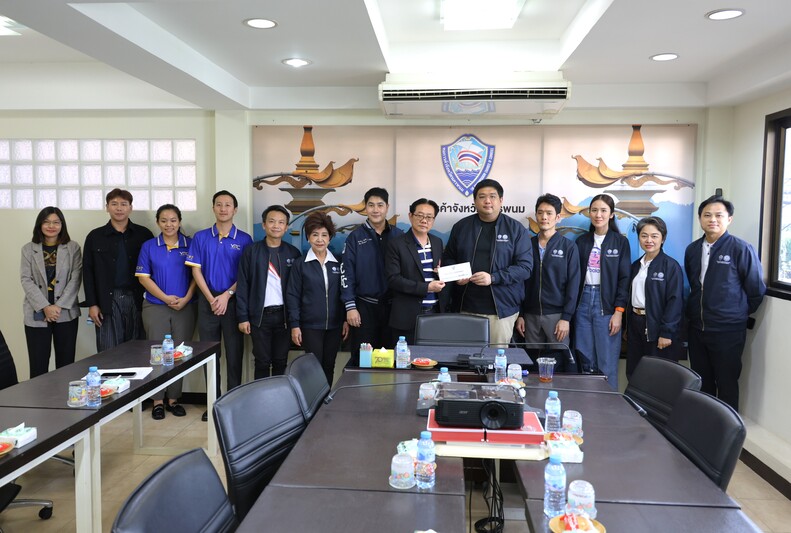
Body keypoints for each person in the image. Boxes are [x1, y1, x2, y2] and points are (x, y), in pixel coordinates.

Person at [684, 195, 765, 411]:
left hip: (728, 331)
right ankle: (705, 424)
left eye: (719, 215)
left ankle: (728, 429)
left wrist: (734, 313)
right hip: (697, 328)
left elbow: (756, 290)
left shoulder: (741, 249)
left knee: (727, 382)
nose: (712, 219)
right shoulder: (692, 250)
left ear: (729, 219)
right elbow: (695, 284)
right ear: (700, 218)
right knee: (702, 381)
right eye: (707, 215)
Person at [186, 190, 252, 421]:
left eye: (228, 205)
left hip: (233, 302)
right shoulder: (201, 237)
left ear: (235, 209)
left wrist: (226, 295)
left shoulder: (244, 239)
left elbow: (246, 275)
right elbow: (196, 270)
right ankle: (212, 402)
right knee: (209, 355)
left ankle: (233, 402)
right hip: (208, 302)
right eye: (219, 204)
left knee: (234, 355)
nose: (223, 209)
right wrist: (211, 298)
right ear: (213, 208)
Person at [442, 179, 532, 346]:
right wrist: (456, 276)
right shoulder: (461, 227)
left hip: (501, 310)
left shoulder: (516, 229)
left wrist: (493, 277)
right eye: (482, 197)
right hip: (465, 307)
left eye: (492, 196)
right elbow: (448, 258)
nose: (487, 201)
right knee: (465, 356)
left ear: (501, 200)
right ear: (475, 201)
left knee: (496, 357)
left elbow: (525, 268)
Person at [136, 204, 197, 420]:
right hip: (155, 306)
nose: (168, 224)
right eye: (164, 220)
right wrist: (165, 298)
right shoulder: (149, 246)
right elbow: (144, 278)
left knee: (180, 354)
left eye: (173, 220)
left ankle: (173, 399)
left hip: (185, 307)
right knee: (158, 355)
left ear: (179, 222)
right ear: (157, 222)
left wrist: (186, 299)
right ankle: (157, 401)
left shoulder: (191, 244)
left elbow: (197, 276)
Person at [83, 189, 154, 352]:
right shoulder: (95, 236)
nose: (119, 208)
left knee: (138, 350)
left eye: (123, 204)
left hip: (138, 298)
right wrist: (92, 304)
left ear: (131, 208)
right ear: (107, 207)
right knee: (108, 351)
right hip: (107, 300)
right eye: (114, 204)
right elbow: (88, 272)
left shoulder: (144, 235)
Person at [515, 194, 580, 371]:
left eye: (549, 213)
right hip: (530, 316)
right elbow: (520, 282)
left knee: (559, 365)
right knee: (532, 364)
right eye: (540, 213)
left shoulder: (568, 247)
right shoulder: (526, 245)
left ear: (558, 217)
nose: (544, 217)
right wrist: (521, 314)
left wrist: (566, 318)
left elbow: (573, 285)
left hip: (557, 316)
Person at [237, 205, 301, 379]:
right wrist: (243, 317)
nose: (276, 226)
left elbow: (297, 290)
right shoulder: (251, 251)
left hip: (284, 317)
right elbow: (243, 285)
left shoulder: (293, 253)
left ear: (286, 227)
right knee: (262, 362)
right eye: (272, 221)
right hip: (260, 317)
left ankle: (279, 395)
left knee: (281, 361)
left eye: (281, 222)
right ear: (264, 225)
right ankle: (261, 396)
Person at [574, 193, 630, 390]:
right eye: (595, 210)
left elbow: (624, 279)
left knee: (606, 363)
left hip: (606, 305)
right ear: (589, 213)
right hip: (582, 303)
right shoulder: (581, 241)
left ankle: (609, 406)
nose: (598, 215)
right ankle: (587, 404)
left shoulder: (620, 242)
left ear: (611, 214)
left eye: (604, 211)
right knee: (585, 361)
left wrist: (618, 311)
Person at [341, 187, 403, 365]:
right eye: (371, 205)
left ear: (387, 207)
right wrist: (350, 307)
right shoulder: (355, 237)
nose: (376, 210)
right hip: (364, 309)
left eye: (380, 205)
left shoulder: (398, 236)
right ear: (365, 207)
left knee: (391, 359)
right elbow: (346, 273)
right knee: (363, 360)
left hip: (393, 309)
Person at [286, 212, 348, 386]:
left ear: (330, 237)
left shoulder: (338, 262)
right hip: (310, 326)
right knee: (313, 368)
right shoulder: (300, 264)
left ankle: (326, 400)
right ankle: (313, 401)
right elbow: (293, 295)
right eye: (315, 235)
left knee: (329, 365)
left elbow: (344, 292)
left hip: (335, 325)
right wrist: (295, 325)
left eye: (324, 235)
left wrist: (344, 319)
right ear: (308, 237)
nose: (320, 239)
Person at [20, 207, 82, 378]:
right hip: (37, 312)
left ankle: (64, 395)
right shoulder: (28, 249)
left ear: (62, 225)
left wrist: (58, 306)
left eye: (56, 222)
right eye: (46, 222)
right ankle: (39, 396)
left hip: (66, 312)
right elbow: (26, 279)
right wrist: (45, 306)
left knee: (66, 364)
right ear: (39, 225)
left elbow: (76, 278)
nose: (51, 226)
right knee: (38, 364)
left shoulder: (73, 248)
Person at [625, 216, 684, 379]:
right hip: (636, 323)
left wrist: (667, 332)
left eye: (654, 236)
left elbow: (675, 301)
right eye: (644, 236)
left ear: (663, 239)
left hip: (658, 326)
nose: (649, 240)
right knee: (635, 373)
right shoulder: (636, 266)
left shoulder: (671, 266)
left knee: (658, 376)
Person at [385, 198, 446, 344]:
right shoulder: (396, 244)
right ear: (410, 216)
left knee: (432, 356)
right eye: (420, 215)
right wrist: (426, 287)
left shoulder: (437, 242)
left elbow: (439, 271)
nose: (424, 220)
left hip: (434, 313)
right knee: (405, 357)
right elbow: (393, 279)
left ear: (433, 220)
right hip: (407, 316)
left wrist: (442, 273)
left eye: (429, 217)